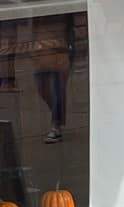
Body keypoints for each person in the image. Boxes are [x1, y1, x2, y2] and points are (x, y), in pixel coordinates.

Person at [32, 14, 72, 143]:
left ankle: (56, 125)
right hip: (41, 40)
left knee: (58, 87)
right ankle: (57, 116)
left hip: (60, 38)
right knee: (42, 87)